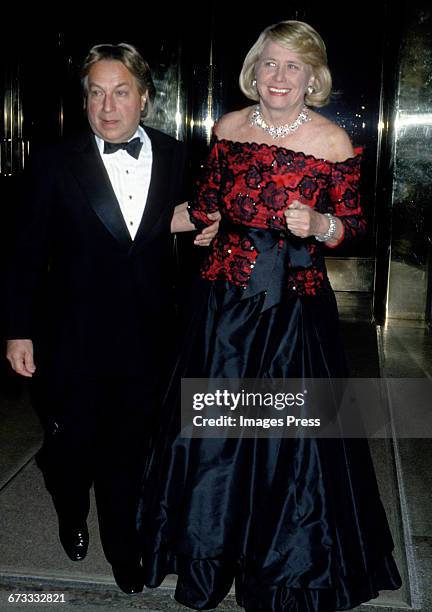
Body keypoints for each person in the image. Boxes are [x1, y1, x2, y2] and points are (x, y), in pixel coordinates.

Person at [137, 21, 402, 611]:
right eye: (269, 64)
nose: (279, 77)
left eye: (293, 66)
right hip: (221, 309)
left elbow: (357, 226)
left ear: (313, 77)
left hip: (292, 314)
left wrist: (324, 225)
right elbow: (206, 203)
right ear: (254, 71)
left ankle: (283, 567)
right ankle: (206, 563)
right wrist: (139, 225)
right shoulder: (228, 126)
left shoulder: (333, 141)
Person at [4, 43, 218, 594]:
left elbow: (176, 231)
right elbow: (25, 251)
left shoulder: (175, 155)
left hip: (145, 335)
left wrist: (205, 232)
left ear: (144, 97)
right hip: (68, 334)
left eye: (120, 91)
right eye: (96, 92)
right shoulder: (55, 161)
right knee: (71, 452)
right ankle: (69, 507)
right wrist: (17, 329)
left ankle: (126, 551)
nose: (107, 105)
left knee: (128, 454)